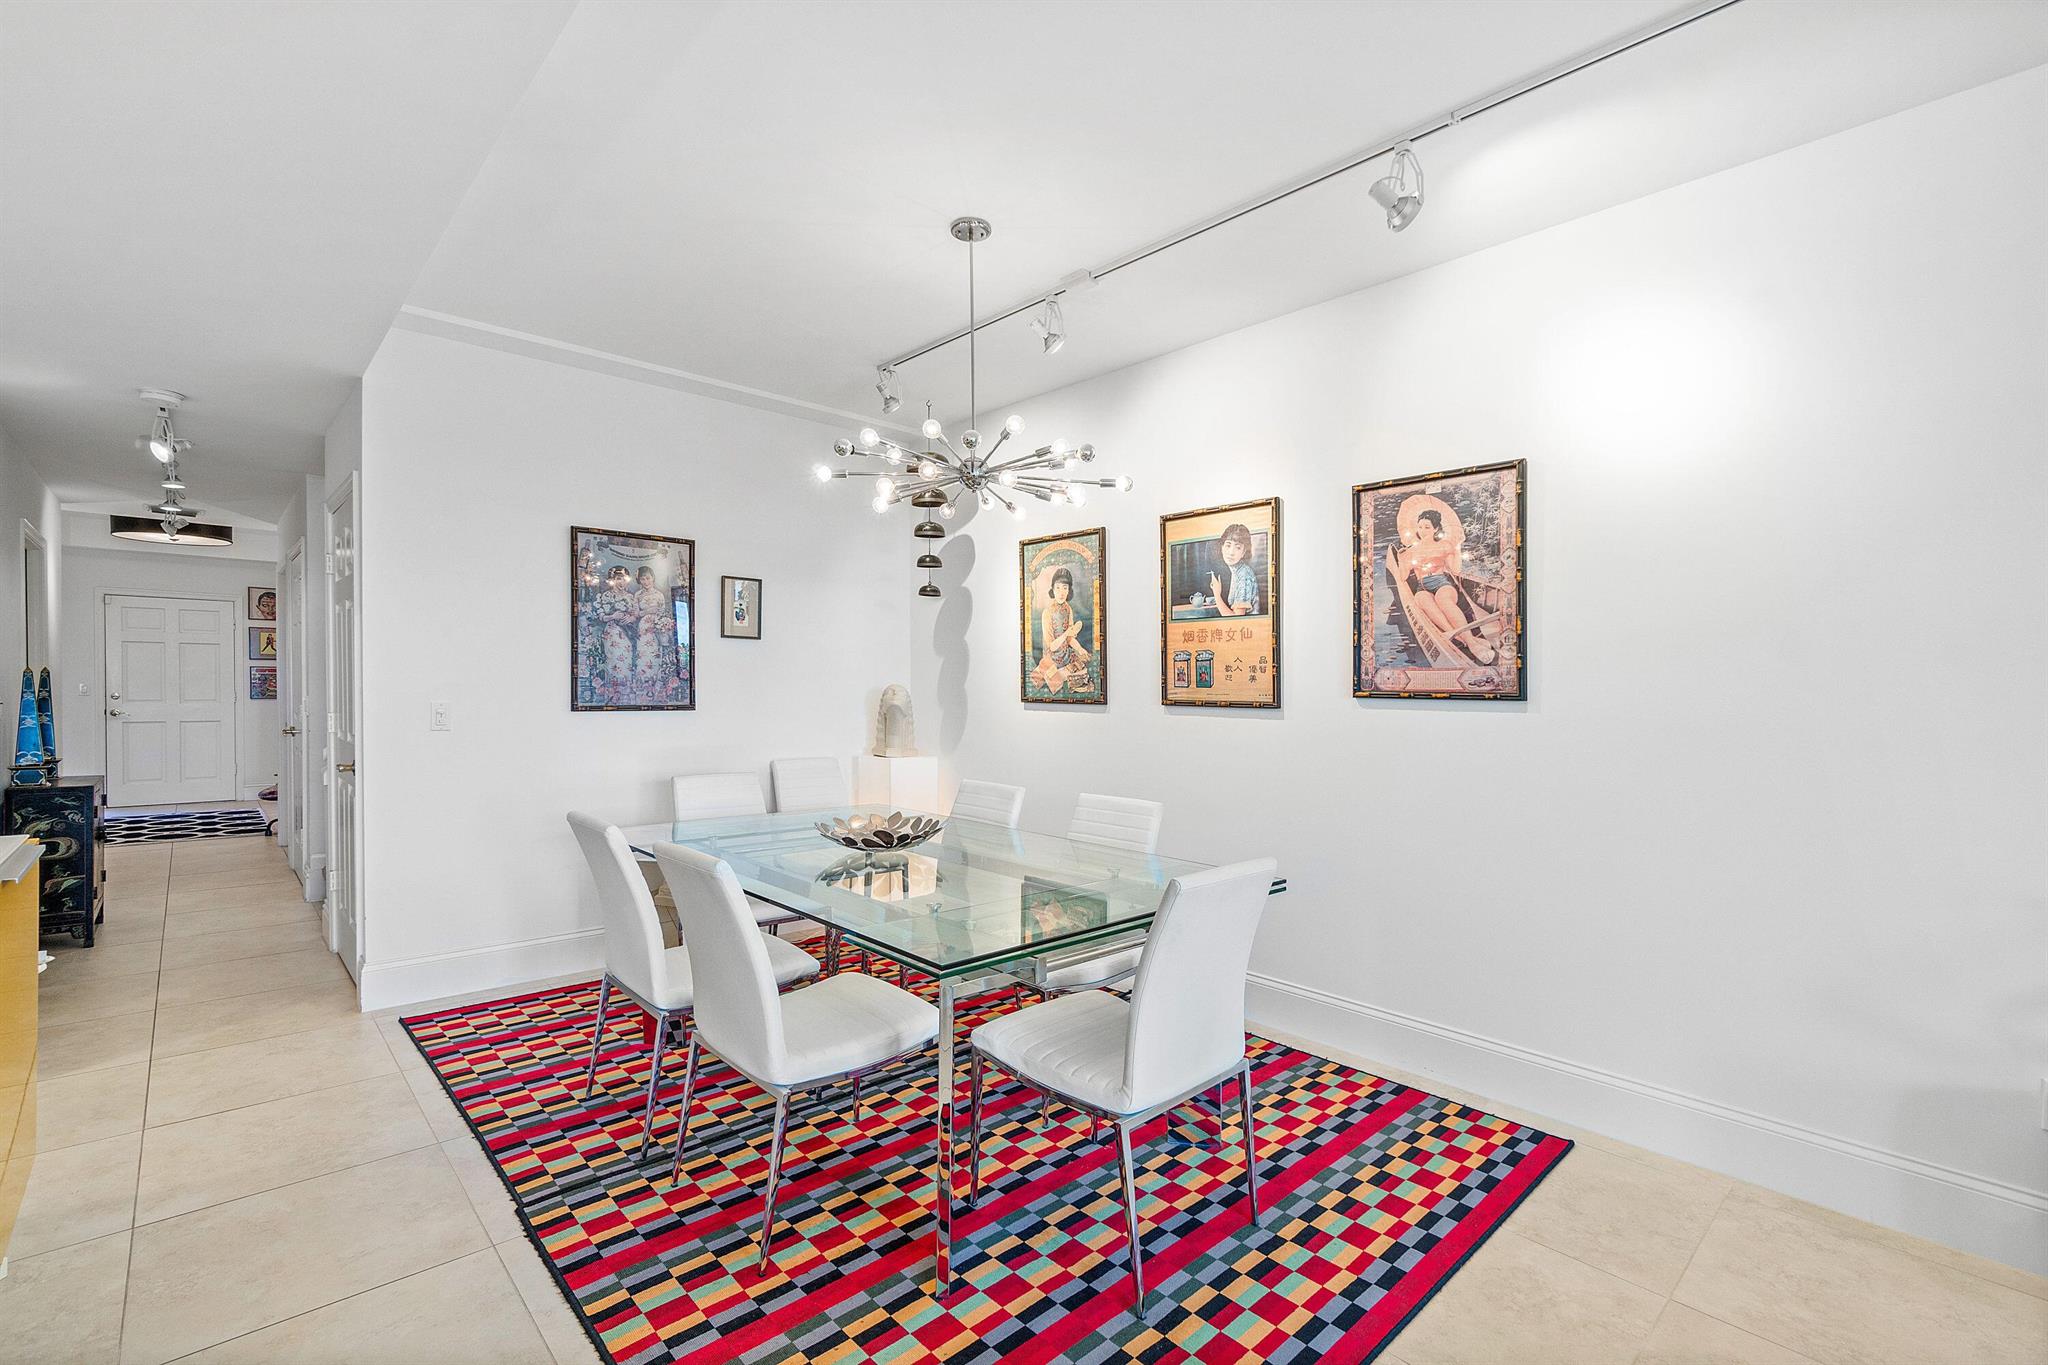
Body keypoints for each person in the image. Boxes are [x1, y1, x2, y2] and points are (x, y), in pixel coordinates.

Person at [1393, 506, 1496, 665]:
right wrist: (1402, 560)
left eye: (1427, 527)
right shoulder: (1411, 550)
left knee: (1443, 601)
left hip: (1442, 583)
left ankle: (1471, 643)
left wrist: (1457, 550)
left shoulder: (1444, 545)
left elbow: (1455, 570)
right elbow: (1403, 577)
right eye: (1420, 527)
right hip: (1422, 586)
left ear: (1435, 528)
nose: (1422, 531)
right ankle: (1463, 638)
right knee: (1421, 599)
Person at [1031, 565, 1091, 693]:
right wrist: (1066, 634)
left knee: (1084, 671)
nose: (1061, 592)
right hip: (1052, 660)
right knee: (1050, 681)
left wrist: (1080, 649)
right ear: (1052, 589)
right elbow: (1052, 646)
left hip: (1067, 656)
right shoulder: (1047, 613)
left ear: (1069, 590)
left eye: (1065, 588)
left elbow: (1070, 639)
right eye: (1058, 588)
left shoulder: (1068, 609)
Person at [1207, 522, 1258, 616]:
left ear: (1243, 552)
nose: (1231, 552)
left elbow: (1237, 619)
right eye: (1228, 545)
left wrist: (1217, 594)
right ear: (1222, 547)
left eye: (1237, 547)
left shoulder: (1244, 574)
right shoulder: (1235, 570)